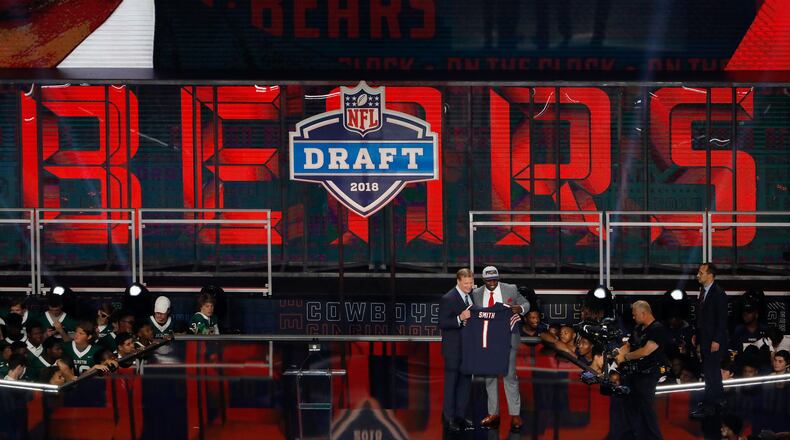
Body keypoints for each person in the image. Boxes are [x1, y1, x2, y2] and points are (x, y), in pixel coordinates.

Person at [472, 266, 529, 432]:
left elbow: (526, 303)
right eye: (489, 280)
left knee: (509, 375)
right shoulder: (476, 294)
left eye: (495, 279)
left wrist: (521, 309)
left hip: (508, 338)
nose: (492, 283)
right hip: (488, 340)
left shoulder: (510, 289)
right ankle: (493, 414)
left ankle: (515, 414)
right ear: (483, 280)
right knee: (490, 377)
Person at [614, 300, 669, 440]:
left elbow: (646, 351)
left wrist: (625, 357)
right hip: (634, 375)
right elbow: (629, 345)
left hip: (648, 376)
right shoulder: (638, 328)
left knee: (646, 411)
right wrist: (617, 354)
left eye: (635, 315)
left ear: (643, 313)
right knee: (631, 410)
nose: (633, 317)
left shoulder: (657, 329)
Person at [438, 268, 475, 432]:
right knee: (451, 385)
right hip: (453, 351)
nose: (469, 286)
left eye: (471, 282)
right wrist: (460, 318)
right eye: (466, 283)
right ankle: (449, 418)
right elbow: (442, 323)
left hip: (468, 350)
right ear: (458, 281)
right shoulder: (448, 298)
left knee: (465, 385)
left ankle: (461, 416)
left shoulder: (471, 296)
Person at [690, 263, 729, 419]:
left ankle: (712, 405)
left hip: (713, 341)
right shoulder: (703, 291)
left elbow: (722, 320)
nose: (697, 275)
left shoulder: (718, 293)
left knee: (712, 374)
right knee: (709, 373)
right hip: (705, 339)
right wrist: (697, 335)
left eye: (701, 272)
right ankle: (715, 403)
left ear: (710, 275)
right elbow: (702, 319)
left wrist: (717, 340)